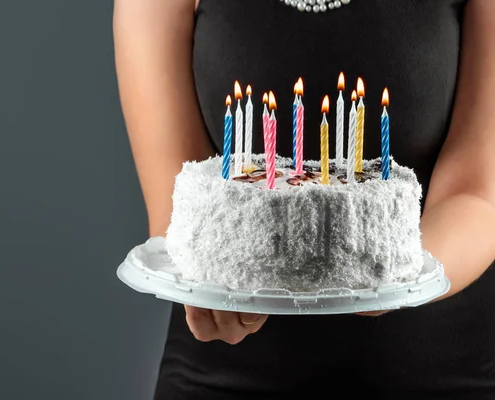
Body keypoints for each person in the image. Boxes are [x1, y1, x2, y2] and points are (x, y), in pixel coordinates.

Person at [113, 0, 495, 398]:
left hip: (441, 374)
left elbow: (478, 194)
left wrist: (387, 274)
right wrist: (213, 287)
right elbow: (184, 207)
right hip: (220, 376)